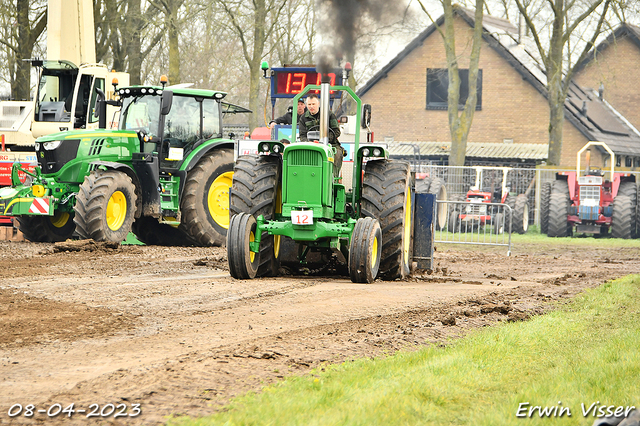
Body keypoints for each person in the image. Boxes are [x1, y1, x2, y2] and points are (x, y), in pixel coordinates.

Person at [298, 94, 343, 177]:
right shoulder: (303, 118)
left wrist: (324, 139)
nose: (311, 106)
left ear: (318, 103)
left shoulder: (328, 115)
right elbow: (302, 135)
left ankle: (333, 177)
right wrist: (309, 142)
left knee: (337, 153)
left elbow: (336, 131)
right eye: (309, 104)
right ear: (306, 105)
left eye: (313, 104)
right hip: (311, 145)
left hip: (330, 144)